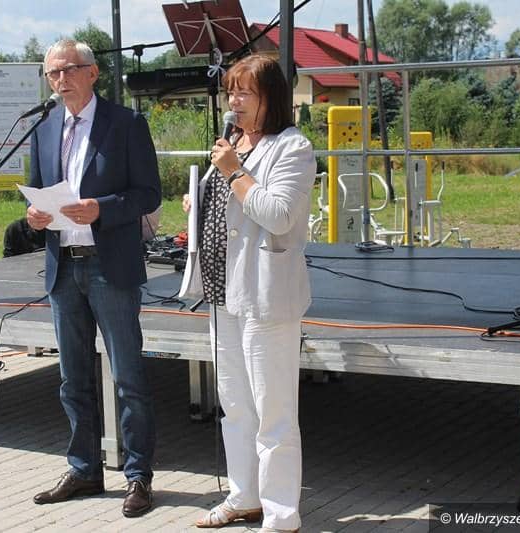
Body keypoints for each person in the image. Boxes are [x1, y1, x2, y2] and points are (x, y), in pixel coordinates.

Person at [26, 39, 161, 518]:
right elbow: (36, 192)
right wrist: (34, 216)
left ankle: (138, 475)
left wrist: (101, 208)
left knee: (128, 377)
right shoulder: (44, 128)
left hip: (110, 267)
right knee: (72, 379)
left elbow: (148, 194)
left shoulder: (126, 124)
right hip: (63, 266)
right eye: (52, 73)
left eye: (68, 70)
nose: (60, 80)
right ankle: (84, 469)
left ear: (92, 72)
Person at [183, 55, 315, 532]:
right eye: (230, 92)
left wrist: (234, 173)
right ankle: (244, 497)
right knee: (235, 406)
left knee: (273, 412)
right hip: (223, 291)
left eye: (244, 92)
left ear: (270, 98)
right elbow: (228, 209)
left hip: (266, 295)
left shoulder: (293, 147)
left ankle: (281, 517)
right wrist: (198, 201)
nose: (234, 101)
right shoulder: (232, 144)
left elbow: (277, 214)